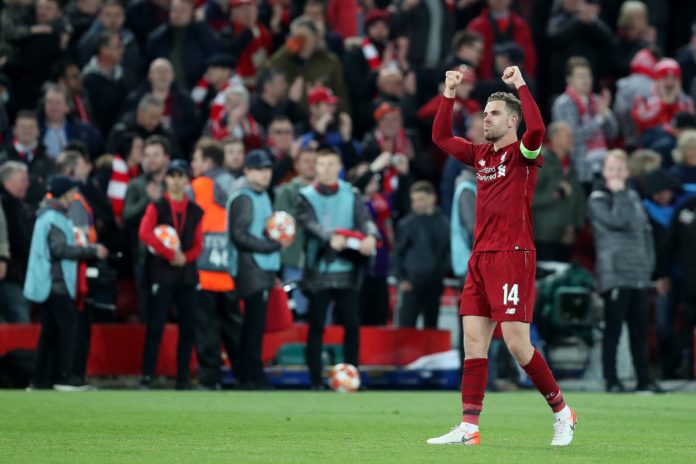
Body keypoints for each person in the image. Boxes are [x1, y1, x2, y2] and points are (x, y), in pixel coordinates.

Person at [429, 66, 576, 446]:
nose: (485, 119)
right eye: (484, 114)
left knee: (516, 343)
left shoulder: (524, 154)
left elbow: (538, 131)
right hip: (481, 257)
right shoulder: (479, 156)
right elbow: (441, 136)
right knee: (473, 344)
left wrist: (521, 85)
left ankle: (562, 412)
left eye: (493, 114)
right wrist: (449, 92)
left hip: (513, 255)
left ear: (512, 121)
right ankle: (469, 427)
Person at [297, 147, 378, 389]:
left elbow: (366, 221)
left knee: (352, 326)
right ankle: (314, 380)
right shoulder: (305, 195)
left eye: (331, 164)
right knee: (317, 327)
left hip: (348, 270)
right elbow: (309, 224)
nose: (326, 169)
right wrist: (330, 237)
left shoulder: (351, 193)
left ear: (339, 166)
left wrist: (371, 236)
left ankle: (353, 377)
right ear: (315, 167)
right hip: (318, 270)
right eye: (322, 164)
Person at [587, 150, 663, 393]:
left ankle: (644, 379)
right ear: (604, 172)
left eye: (620, 170)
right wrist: (619, 192)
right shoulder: (598, 199)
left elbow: (644, 231)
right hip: (615, 273)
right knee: (614, 330)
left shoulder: (632, 196)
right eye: (612, 170)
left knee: (640, 331)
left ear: (628, 172)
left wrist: (649, 266)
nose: (616, 175)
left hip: (638, 273)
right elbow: (617, 222)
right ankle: (612, 380)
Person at [24, 176, 108, 390]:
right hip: (56, 283)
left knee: (49, 333)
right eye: (71, 192)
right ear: (64, 193)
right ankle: (64, 377)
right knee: (69, 328)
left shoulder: (48, 215)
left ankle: (39, 380)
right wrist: (92, 251)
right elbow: (59, 249)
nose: (75, 196)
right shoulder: (54, 217)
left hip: (49, 283)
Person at [227, 150, 290, 389]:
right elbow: (239, 236)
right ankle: (252, 376)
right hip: (249, 267)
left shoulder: (261, 195)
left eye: (267, 169)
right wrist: (271, 246)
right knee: (253, 326)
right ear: (247, 171)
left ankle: (249, 374)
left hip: (261, 267)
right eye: (260, 169)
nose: (265, 174)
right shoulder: (244, 197)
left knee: (254, 325)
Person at [138, 159, 203, 390]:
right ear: (166, 179)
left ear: (187, 180)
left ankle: (183, 378)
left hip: (186, 273)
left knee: (188, 327)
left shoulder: (195, 211)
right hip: (162, 272)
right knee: (155, 326)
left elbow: (198, 243)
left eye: (180, 176)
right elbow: (145, 233)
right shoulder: (157, 207)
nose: (176, 181)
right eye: (172, 176)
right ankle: (148, 376)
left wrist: (186, 257)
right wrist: (169, 253)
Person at [189, 143, 241, 390]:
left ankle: (210, 378)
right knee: (233, 327)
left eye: (196, 159)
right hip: (230, 268)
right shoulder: (238, 186)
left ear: (208, 162)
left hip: (204, 269)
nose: (193, 165)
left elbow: (187, 224)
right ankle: (244, 375)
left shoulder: (198, 186)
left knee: (206, 327)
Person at [392, 181, 450, 328]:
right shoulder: (406, 225)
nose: (417, 204)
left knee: (431, 329)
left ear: (432, 198)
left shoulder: (445, 224)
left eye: (421, 199)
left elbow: (447, 253)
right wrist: (401, 280)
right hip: (410, 285)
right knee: (406, 330)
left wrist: (441, 274)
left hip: (434, 285)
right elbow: (397, 253)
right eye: (414, 200)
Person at [273, 147, 317, 320]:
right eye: (306, 161)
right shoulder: (286, 191)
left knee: (321, 313)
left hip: (319, 261)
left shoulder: (325, 190)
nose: (312, 166)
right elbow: (284, 224)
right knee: (297, 309)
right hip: (294, 259)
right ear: (296, 165)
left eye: (315, 162)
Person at [532, 122, 585, 262]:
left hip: (566, 237)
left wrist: (574, 227)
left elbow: (579, 199)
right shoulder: (539, 161)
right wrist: (555, 195)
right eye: (567, 135)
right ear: (554, 138)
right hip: (543, 237)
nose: (571, 138)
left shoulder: (570, 165)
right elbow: (526, 198)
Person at [0, 161, 34, 323]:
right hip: (9, 272)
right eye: (23, 180)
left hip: (15, 272)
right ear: (8, 182)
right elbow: (15, 238)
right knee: (20, 316)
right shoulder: (7, 205)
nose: (27, 184)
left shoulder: (18, 204)